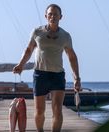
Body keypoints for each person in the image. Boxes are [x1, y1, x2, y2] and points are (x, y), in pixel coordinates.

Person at [13, 4, 81, 132]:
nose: (53, 16)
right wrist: (21, 64)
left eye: (55, 14)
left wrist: (77, 77)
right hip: (40, 74)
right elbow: (28, 50)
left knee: (57, 111)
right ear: (46, 16)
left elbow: (72, 57)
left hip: (57, 75)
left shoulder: (65, 36)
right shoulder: (37, 32)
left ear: (61, 17)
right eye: (50, 14)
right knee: (39, 111)